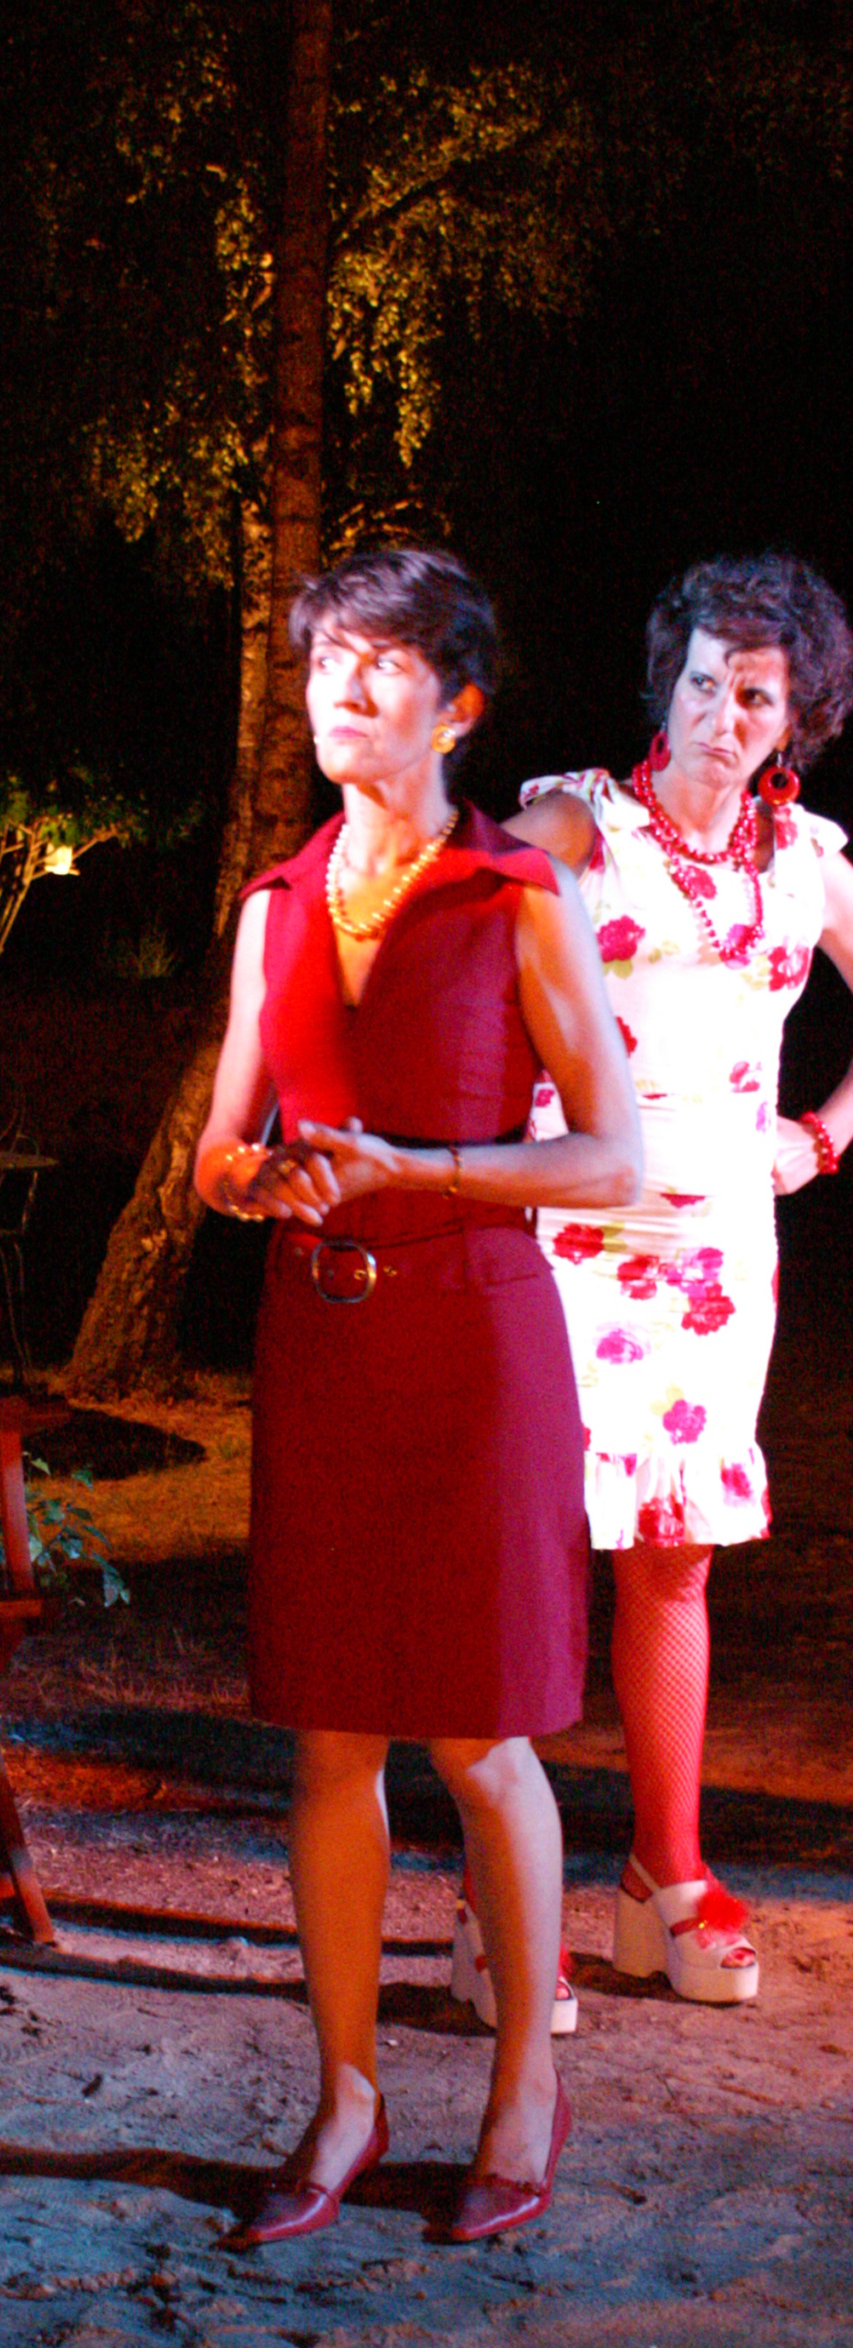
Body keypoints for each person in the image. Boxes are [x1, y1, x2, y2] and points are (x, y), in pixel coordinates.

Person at [195, 550, 640, 2247]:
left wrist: (417, 1168)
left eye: (380, 665)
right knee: (328, 1736)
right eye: (328, 662)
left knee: (476, 1734)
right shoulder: (276, 905)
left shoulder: (515, 895)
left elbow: (612, 1157)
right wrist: (256, 1182)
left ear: (456, 708)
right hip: (321, 1344)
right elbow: (215, 1151)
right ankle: (345, 2097)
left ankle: (522, 2089)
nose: (343, 689)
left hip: (474, 1347)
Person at [502, 554, 853, 2007]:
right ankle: (502, 1898)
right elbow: (447, 938)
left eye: (754, 695)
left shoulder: (807, 861)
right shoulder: (578, 823)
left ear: (797, 714)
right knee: (526, 1551)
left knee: (674, 1551)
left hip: (719, 1253)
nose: (721, 715)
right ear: (670, 680)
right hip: (563, 1234)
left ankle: (666, 1875)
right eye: (703, 682)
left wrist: (823, 1135)